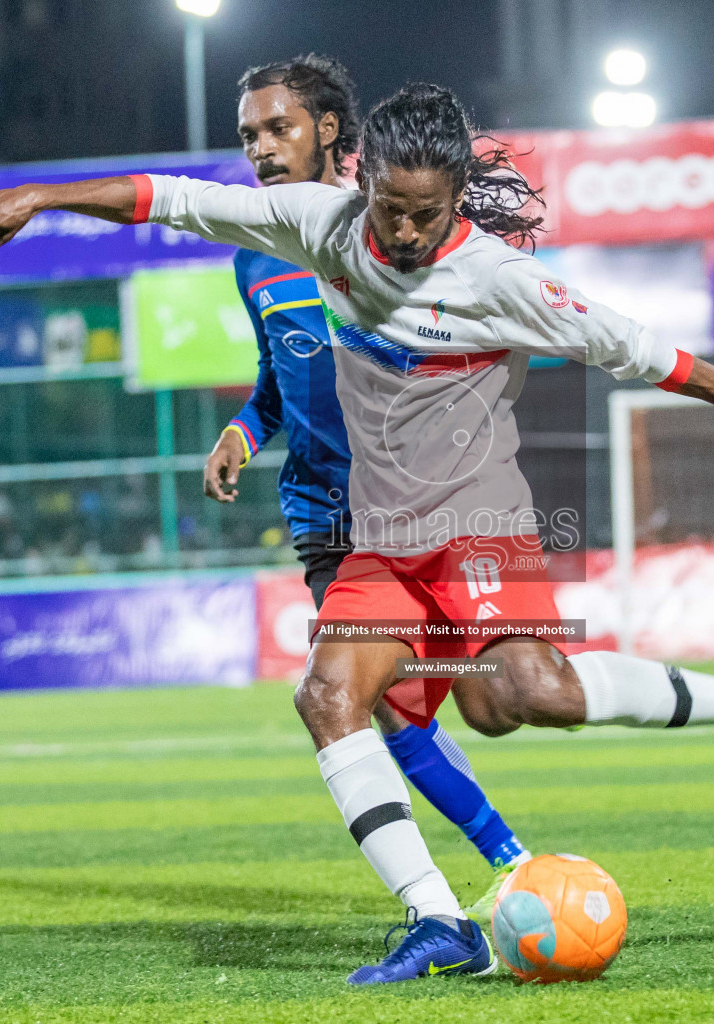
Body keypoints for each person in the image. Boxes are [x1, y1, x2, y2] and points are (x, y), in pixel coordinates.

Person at [0, 82, 714, 987]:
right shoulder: (320, 224)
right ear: (365, 183)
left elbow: (640, 348)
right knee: (332, 697)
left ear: (457, 199)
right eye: (388, 211)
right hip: (382, 533)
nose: (401, 234)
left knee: (526, 695)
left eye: (423, 215)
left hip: (480, 521)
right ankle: (439, 919)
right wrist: (40, 196)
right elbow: (170, 200)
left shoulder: (499, 278)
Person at [201, 55, 533, 922]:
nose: (262, 149)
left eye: (278, 129)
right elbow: (279, 377)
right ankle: (497, 873)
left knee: (500, 696)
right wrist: (243, 430)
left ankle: (504, 869)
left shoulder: (390, 229)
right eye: (248, 137)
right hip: (327, 513)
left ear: (331, 131)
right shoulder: (256, 256)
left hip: (424, 502)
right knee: (372, 700)